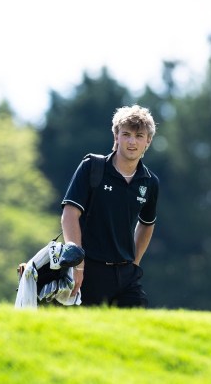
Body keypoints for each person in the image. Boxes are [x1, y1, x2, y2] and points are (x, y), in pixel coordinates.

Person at [61, 105, 159, 308]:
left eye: (139, 136)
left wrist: (135, 262)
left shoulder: (150, 182)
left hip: (126, 273)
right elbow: (70, 214)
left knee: (136, 328)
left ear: (148, 141)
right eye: (126, 134)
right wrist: (77, 264)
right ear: (116, 137)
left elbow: (147, 223)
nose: (132, 142)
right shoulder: (92, 167)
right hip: (89, 269)